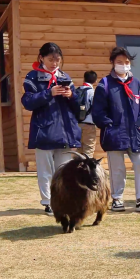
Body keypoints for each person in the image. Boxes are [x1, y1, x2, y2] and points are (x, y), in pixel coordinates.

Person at [92, 47, 140, 213]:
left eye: (126, 62)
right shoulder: (105, 84)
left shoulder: (136, 84)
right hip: (115, 133)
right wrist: (108, 125)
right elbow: (98, 110)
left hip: (136, 134)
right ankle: (117, 198)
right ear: (113, 63)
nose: (123, 65)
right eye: (120, 62)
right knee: (117, 168)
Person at [21, 42, 81, 216]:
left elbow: (77, 107)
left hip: (65, 132)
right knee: (45, 171)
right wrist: (49, 92)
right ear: (41, 58)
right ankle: (48, 202)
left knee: (64, 171)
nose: (55, 63)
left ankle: (63, 201)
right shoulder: (32, 77)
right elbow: (28, 102)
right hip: (44, 131)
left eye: (57, 59)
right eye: (50, 59)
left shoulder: (65, 77)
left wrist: (71, 96)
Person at [78, 70, 97, 157]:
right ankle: (87, 169)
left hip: (77, 123)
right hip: (89, 124)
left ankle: (77, 169)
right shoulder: (92, 92)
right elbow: (95, 108)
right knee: (88, 149)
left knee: (78, 150)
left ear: (84, 79)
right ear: (95, 81)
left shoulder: (77, 90)